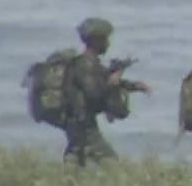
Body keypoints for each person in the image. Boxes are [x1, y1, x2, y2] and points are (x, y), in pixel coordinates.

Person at [59, 17, 148, 166]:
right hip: (83, 123)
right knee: (112, 165)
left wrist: (133, 86)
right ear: (95, 41)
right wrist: (113, 84)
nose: (108, 43)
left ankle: (67, 183)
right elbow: (94, 93)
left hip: (78, 123)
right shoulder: (84, 65)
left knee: (75, 157)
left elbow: (102, 79)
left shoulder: (91, 64)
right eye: (104, 39)